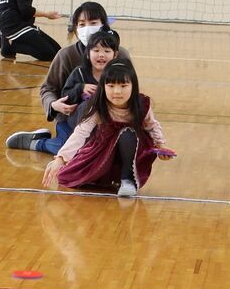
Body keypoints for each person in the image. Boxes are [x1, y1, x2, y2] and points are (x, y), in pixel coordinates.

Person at [5, 3, 132, 153]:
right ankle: (38, 142)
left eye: (93, 23)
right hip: (69, 117)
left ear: (104, 25)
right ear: (76, 29)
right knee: (72, 151)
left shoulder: (121, 55)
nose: (87, 29)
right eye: (82, 24)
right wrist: (54, 105)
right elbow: (48, 88)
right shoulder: (66, 55)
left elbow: (130, 88)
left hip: (108, 118)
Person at [42, 59, 172, 198]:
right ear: (103, 87)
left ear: (133, 86)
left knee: (127, 133)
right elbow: (81, 132)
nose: (117, 91)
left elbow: (152, 126)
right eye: (111, 86)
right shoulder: (99, 105)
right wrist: (60, 159)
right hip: (104, 148)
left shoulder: (141, 104)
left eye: (123, 85)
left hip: (134, 148)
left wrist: (160, 145)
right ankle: (104, 177)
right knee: (67, 176)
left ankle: (127, 180)